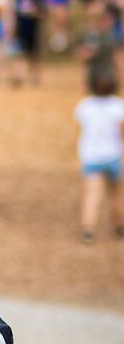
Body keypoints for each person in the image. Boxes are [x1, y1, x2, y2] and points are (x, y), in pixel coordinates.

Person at [75, 36, 124, 242]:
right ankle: (119, 226)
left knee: (92, 195)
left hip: (91, 156)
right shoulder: (118, 106)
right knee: (116, 194)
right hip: (113, 155)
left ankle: (88, 229)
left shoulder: (85, 106)